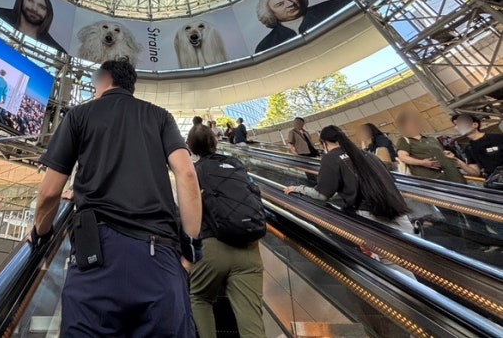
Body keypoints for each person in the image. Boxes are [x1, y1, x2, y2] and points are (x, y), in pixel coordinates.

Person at [30, 60, 202, 336]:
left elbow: (50, 192)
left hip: (96, 259)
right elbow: (187, 174)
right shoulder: (160, 117)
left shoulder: (79, 116)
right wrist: (191, 250)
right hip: (159, 257)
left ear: (105, 78)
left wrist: (41, 232)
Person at [187, 125, 266, 338]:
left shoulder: (193, 172)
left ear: (190, 147)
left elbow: (187, 212)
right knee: (251, 315)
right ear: (215, 142)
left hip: (212, 247)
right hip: (249, 247)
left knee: (200, 297)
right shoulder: (236, 164)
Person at [285, 125, 412, 235]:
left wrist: (297, 188)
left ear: (324, 142)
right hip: (397, 208)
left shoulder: (331, 158)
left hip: (371, 214)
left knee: (391, 260)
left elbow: (322, 194)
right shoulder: (367, 154)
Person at [254, 0, 352, 53]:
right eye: (280, 4)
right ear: (270, 14)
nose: (290, 4)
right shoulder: (266, 46)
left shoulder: (336, 6)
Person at [0, 0, 67, 54]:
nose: (34, 9)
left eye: (42, 7)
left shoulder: (55, 51)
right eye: (30, 0)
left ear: (48, 14)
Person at [394, 111, 466, 183]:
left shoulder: (431, 139)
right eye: (410, 122)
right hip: (432, 178)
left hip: (452, 174)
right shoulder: (404, 140)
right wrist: (422, 162)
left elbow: (442, 152)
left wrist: (447, 154)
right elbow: (403, 157)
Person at [287, 116, 320, 186]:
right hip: (302, 153)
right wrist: (295, 154)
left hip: (311, 152)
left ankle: (321, 181)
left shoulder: (305, 132)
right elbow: (290, 144)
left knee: (316, 166)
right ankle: (314, 184)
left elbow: (310, 142)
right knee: (308, 170)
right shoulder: (292, 132)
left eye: (300, 123)